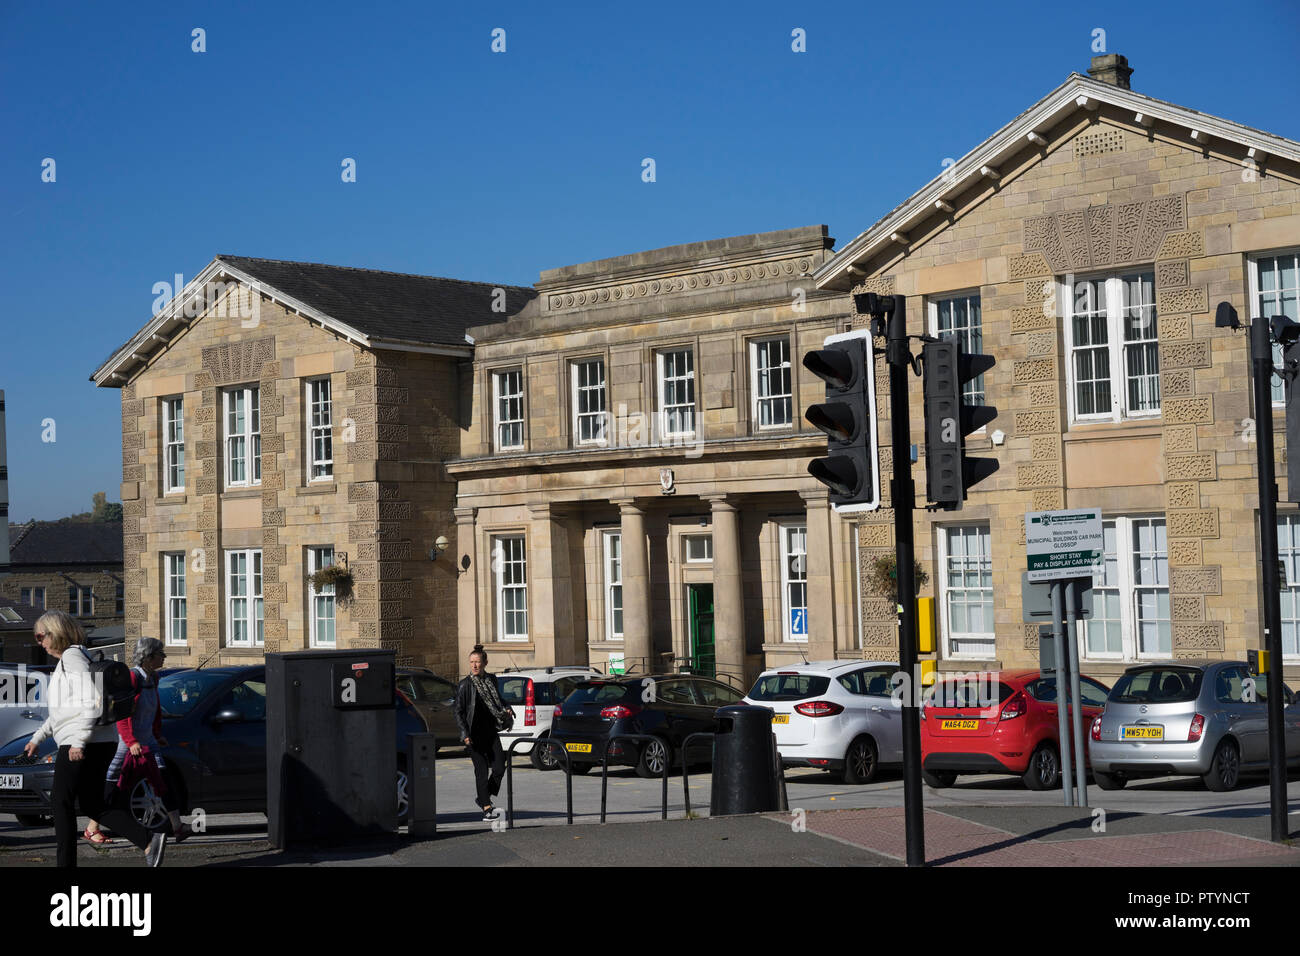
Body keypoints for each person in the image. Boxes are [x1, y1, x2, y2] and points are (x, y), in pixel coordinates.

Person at [24, 611, 167, 867]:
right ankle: (148, 838)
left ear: (55, 633)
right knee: (92, 803)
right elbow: (64, 710)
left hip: (83, 743)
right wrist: (38, 737)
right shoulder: (75, 658)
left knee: (61, 802)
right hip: (99, 741)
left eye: (40, 635)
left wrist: (79, 742)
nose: (39, 642)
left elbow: (91, 700)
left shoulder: (72, 657)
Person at [97, 637, 192, 842]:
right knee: (116, 780)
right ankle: (93, 824)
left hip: (148, 740)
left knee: (162, 778)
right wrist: (131, 742)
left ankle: (177, 825)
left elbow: (154, 709)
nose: (164, 658)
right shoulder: (133, 678)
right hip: (128, 744)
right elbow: (123, 714)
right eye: (161, 654)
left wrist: (157, 735)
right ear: (148, 657)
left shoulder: (153, 679)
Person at [454, 645, 513, 820]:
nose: (474, 666)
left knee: (499, 767)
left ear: (485, 663)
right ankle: (487, 808)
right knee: (481, 771)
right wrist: (464, 734)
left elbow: (499, 700)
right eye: (471, 662)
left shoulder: (492, 680)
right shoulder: (465, 685)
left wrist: (507, 708)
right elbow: (458, 711)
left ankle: (482, 797)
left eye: (478, 662)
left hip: (491, 732)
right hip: (473, 736)